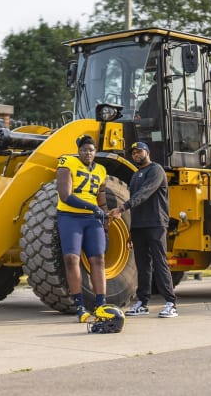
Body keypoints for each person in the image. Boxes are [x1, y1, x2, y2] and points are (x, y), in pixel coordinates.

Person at [108, 141, 178, 318]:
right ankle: (143, 302)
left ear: (147, 152)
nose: (136, 155)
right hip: (139, 226)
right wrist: (131, 231)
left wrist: (121, 208)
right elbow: (136, 204)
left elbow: (145, 193)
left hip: (155, 223)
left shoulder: (156, 170)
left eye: (139, 151)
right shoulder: (135, 175)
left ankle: (171, 303)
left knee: (159, 262)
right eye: (133, 153)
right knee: (142, 265)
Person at [56, 134, 108, 323]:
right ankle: (79, 306)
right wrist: (92, 207)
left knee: (99, 259)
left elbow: (101, 197)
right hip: (70, 216)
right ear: (78, 151)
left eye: (91, 150)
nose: (88, 152)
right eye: (84, 149)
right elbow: (65, 196)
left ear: (95, 152)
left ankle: (101, 304)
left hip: (92, 219)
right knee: (71, 259)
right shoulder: (67, 162)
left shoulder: (101, 169)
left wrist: (105, 218)